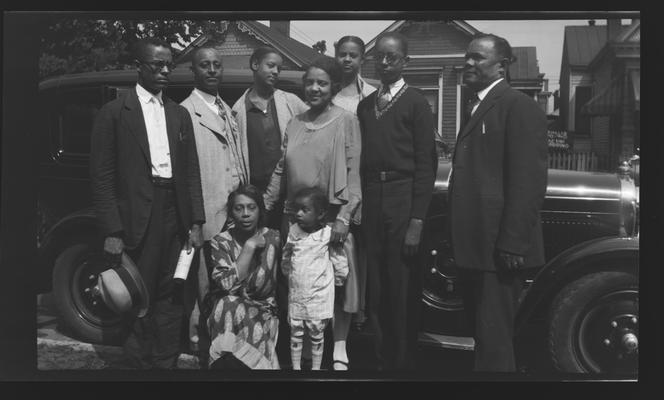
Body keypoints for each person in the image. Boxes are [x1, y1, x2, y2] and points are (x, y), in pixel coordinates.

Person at [90, 37, 205, 369]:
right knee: (138, 292)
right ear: (139, 67)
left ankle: (165, 362)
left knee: (172, 292)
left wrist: (196, 221)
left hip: (176, 212)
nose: (166, 71)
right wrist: (112, 230)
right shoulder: (114, 113)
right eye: (158, 65)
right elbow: (102, 178)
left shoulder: (178, 114)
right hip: (138, 216)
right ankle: (138, 366)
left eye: (170, 64)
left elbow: (191, 171)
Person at [449, 33, 548, 372]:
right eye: (468, 56)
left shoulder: (519, 107)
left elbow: (529, 183)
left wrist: (512, 243)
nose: (469, 63)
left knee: (494, 344)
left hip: (498, 251)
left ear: (501, 67)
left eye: (477, 57)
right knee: (483, 337)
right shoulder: (477, 103)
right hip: (476, 246)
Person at [264, 55, 362, 370]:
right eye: (310, 82)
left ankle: (339, 348)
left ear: (333, 86)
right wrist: (264, 206)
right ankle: (304, 348)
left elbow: (354, 172)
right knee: (299, 282)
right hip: (294, 217)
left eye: (322, 83)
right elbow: (282, 169)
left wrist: (345, 217)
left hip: (330, 217)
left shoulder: (346, 120)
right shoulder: (295, 121)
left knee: (337, 282)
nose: (315, 88)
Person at [356, 32, 437, 370]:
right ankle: (378, 358)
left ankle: (402, 363)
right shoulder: (365, 105)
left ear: (406, 61)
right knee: (374, 282)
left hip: (403, 198)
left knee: (401, 282)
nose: (385, 62)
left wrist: (416, 220)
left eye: (392, 57)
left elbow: (426, 164)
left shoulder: (417, 102)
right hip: (372, 197)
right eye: (380, 57)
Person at [180, 45, 247, 366]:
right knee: (205, 287)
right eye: (204, 65)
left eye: (216, 65)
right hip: (208, 215)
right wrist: (194, 220)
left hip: (235, 214)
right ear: (194, 71)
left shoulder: (228, 108)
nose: (211, 70)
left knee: (232, 284)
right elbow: (187, 173)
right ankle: (199, 346)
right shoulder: (186, 112)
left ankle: (228, 344)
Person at [331, 35, 376, 370]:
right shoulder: (324, 90)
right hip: (331, 186)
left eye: (354, 56)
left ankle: (354, 328)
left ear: (362, 59)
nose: (347, 60)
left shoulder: (371, 95)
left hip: (363, 185)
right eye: (342, 55)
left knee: (356, 263)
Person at [205, 185, 281, 369]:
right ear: (231, 213)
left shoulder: (274, 238)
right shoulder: (220, 242)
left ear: (260, 210)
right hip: (226, 314)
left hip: (262, 311)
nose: (245, 214)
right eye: (239, 208)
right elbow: (227, 286)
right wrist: (248, 247)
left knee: (231, 305)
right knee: (229, 303)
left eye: (251, 207)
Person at [282, 187, 348, 370]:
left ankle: (315, 369)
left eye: (305, 210)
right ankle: (296, 368)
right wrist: (288, 272)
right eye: (296, 210)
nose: (299, 214)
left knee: (316, 331)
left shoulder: (327, 235)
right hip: (298, 293)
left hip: (319, 294)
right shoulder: (294, 232)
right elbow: (287, 255)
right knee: (296, 330)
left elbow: (338, 258)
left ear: (320, 214)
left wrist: (341, 279)